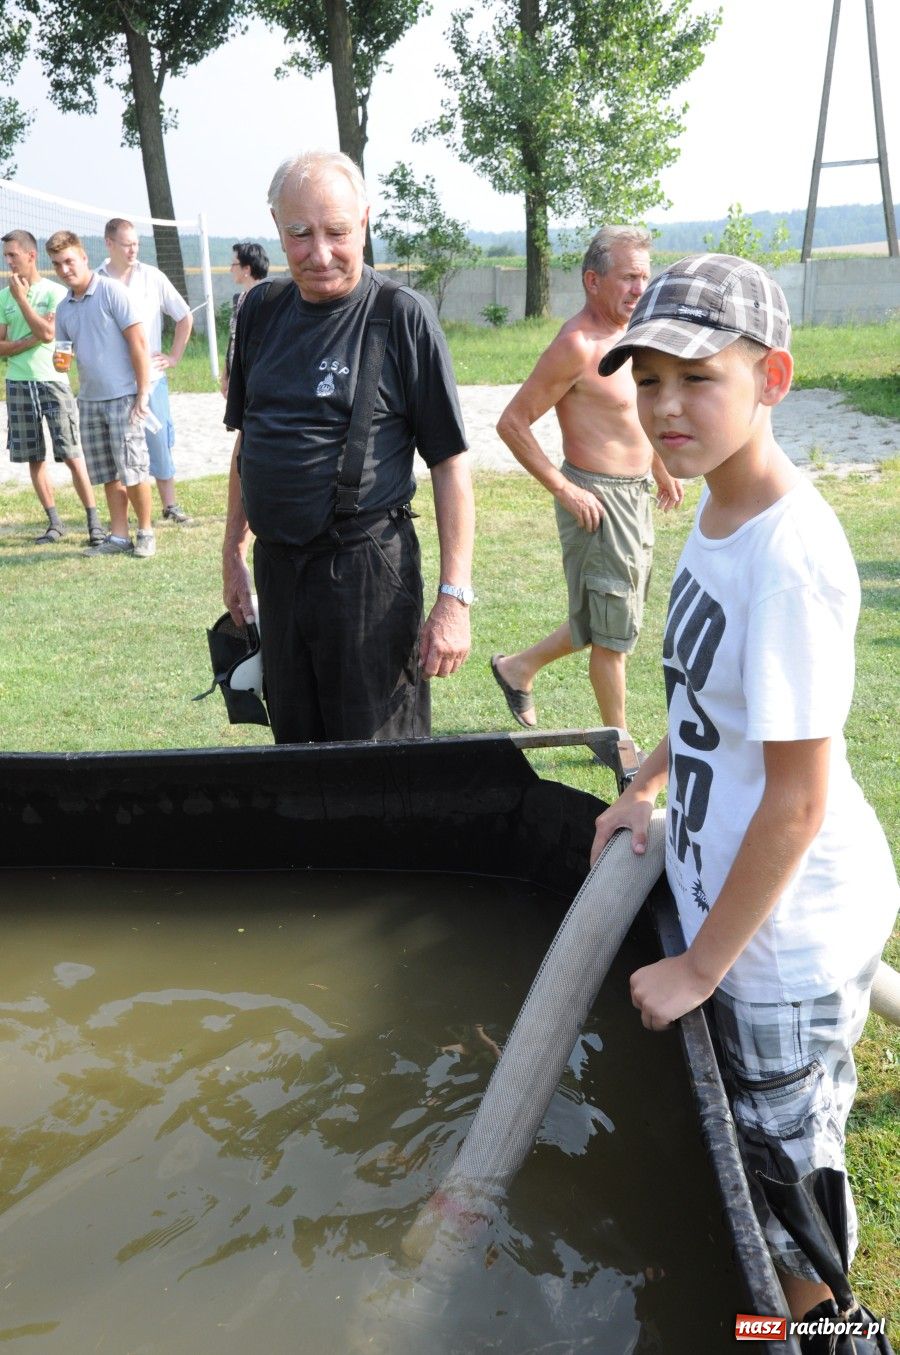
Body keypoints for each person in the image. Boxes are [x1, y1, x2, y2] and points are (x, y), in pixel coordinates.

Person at [589, 253, 898, 1322]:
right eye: (649, 379)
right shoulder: (719, 511)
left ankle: (817, 1328)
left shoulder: (791, 553)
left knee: (789, 1185)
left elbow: (800, 801)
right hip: (738, 916)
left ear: (772, 378)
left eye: (698, 377)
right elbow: (701, 694)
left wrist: (700, 966)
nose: (667, 404)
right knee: (759, 1150)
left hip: (778, 944)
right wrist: (648, 780)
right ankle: (764, 1308)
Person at [222, 150, 474, 744]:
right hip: (279, 570)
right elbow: (246, 441)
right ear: (277, 228)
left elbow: (450, 463)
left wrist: (455, 598)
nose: (320, 253)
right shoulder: (259, 310)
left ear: (364, 220)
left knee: (379, 761)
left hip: (366, 570)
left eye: (337, 232)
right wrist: (234, 548)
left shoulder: (401, 316)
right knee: (296, 751)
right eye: (299, 234)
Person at [491, 227, 682, 734]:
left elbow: (632, 415)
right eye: (628, 278)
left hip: (633, 493)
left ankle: (517, 668)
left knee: (601, 619)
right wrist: (566, 489)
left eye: (645, 277)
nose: (639, 289)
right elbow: (512, 423)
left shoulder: (632, 335)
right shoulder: (576, 346)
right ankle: (620, 748)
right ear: (593, 281)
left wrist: (658, 469)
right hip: (596, 499)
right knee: (612, 634)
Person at [46, 230, 155, 558]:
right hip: (89, 400)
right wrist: (59, 360)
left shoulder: (112, 291)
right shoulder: (64, 307)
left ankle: (146, 532)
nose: (65, 269)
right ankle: (118, 536)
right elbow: (64, 357)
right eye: (57, 264)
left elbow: (138, 344)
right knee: (109, 473)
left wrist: (142, 392)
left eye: (69, 261)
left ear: (84, 258)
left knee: (133, 471)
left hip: (124, 397)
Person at [0, 229, 104, 546]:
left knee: (72, 454)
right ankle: (55, 523)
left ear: (31, 256)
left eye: (12, 255)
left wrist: (23, 306)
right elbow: (3, 346)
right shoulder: (3, 296)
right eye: (5, 257)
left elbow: (49, 334)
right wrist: (30, 337)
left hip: (53, 382)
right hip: (17, 383)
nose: (8, 262)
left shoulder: (55, 293)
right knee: (34, 458)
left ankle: (94, 523)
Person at [98, 217, 193, 524]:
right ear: (109, 244)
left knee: (158, 440)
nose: (133, 250)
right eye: (127, 244)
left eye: (136, 244)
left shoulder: (152, 276)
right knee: (118, 451)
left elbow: (184, 316)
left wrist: (174, 357)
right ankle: (126, 516)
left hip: (152, 379)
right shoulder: (97, 281)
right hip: (113, 382)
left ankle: (170, 505)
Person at [220, 240, 269, 401]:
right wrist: (226, 373)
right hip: (238, 375)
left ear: (247, 269)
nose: (230, 269)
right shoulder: (240, 299)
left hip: (256, 378)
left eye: (234, 264)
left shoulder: (267, 299)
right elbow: (233, 339)